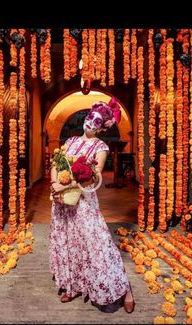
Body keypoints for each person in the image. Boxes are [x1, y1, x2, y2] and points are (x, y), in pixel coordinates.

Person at [49, 97, 135, 313]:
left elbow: (95, 177)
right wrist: (54, 183)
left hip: (84, 202)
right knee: (69, 242)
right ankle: (74, 285)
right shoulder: (69, 142)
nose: (90, 122)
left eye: (97, 121)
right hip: (62, 201)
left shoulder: (101, 147)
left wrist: (67, 184)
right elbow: (55, 163)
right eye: (90, 117)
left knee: (98, 244)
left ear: (102, 128)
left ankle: (124, 288)